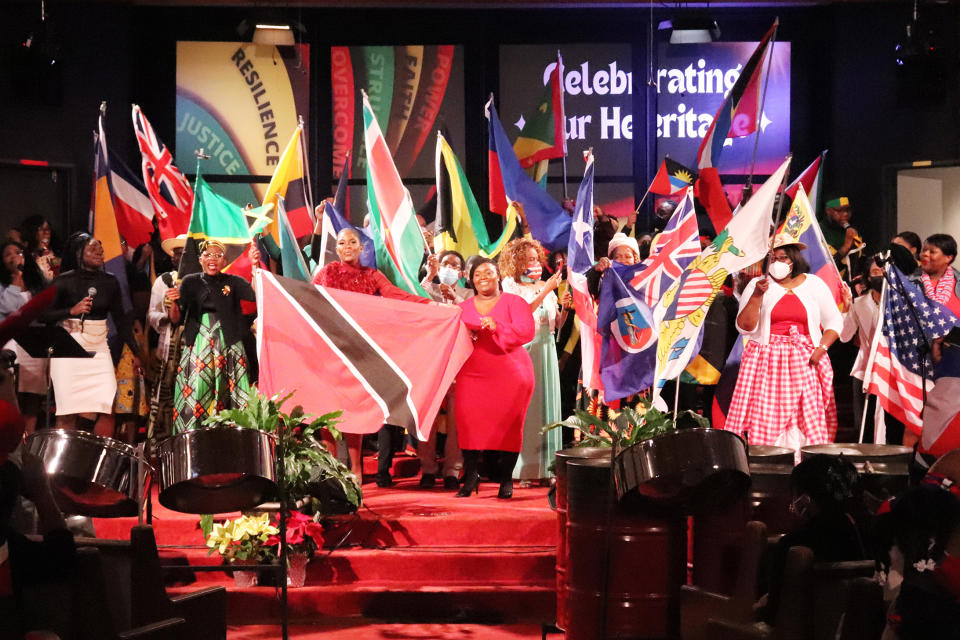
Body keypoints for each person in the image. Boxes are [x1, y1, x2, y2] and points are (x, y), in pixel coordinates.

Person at [313, 227, 430, 486]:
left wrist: (429, 305)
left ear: (361, 247)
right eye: (341, 242)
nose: (346, 246)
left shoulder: (372, 275)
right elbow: (308, 302)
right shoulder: (327, 272)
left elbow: (395, 296)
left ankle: (356, 470)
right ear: (337, 248)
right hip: (331, 349)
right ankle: (331, 470)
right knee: (328, 410)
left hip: (359, 351)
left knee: (353, 409)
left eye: (352, 242)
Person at [724, 241, 845, 449]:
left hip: (805, 360)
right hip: (767, 362)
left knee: (805, 414)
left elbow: (834, 322)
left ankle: (803, 462)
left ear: (794, 259)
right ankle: (768, 460)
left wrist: (822, 348)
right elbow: (744, 327)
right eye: (772, 259)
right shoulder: (757, 285)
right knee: (765, 415)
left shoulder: (814, 284)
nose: (777, 263)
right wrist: (756, 296)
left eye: (783, 258)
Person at [42, 233, 142, 434]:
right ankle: (66, 458)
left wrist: (137, 352)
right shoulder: (63, 281)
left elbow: (121, 321)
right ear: (78, 253)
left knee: (106, 406)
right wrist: (70, 311)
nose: (100, 251)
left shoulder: (110, 282)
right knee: (68, 410)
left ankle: (99, 458)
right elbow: (44, 315)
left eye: (101, 248)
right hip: (69, 348)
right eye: (93, 248)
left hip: (99, 347)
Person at [455, 258, 535, 498]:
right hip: (472, 374)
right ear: (471, 279)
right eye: (477, 274)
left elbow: (526, 332)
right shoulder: (464, 307)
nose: (482, 277)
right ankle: (470, 476)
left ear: (498, 275)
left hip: (511, 374)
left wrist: (497, 325)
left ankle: (506, 479)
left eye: (488, 272)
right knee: (468, 425)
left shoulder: (515, 302)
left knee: (510, 429)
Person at [760, 455, 864, 622]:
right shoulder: (862, 535)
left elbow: (774, 615)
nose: (792, 505)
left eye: (794, 497)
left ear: (805, 500)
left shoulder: (791, 545)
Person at [167, 240, 255, 433]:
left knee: (234, 396)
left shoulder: (234, 282)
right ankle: (192, 436)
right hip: (199, 344)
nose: (212, 259)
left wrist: (255, 265)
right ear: (200, 260)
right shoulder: (190, 282)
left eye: (217, 255)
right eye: (208, 255)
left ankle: (236, 437)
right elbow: (176, 318)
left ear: (224, 261)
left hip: (229, 345)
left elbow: (255, 295)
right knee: (197, 390)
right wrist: (173, 302)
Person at [499, 238, 564, 484]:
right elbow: (522, 314)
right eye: (528, 259)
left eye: (536, 258)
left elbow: (554, 324)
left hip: (547, 348)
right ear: (516, 262)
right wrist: (546, 290)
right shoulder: (510, 285)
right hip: (526, 350)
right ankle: (525, 470)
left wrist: (563, 310)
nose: (533, 263)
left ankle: (548, 470)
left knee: (548, 408)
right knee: (528, 410)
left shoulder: (543, 284)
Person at [417, 250, 470, 489]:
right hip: (431, 363)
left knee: (457, 421)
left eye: (454, 265)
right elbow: (415, 298)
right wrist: (430, 275)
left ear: (461, 273)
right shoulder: (431, 289)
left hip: (458, 364)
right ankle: (428, 468)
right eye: (445, 263)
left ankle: (452, 470)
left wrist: (456, 299)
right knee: (428, 418)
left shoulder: (468, 294)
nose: (450, 267)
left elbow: (473, 317)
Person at [0, 240, 48, 434]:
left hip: (34, 343)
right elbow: (8, 310)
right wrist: (14, 280)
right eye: (8, 254)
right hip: (11, 343)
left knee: (33, 397)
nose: (14, 257)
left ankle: (28, 443)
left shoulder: (36, 282)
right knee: (13, 396)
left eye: (17, 252)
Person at [145, 234, 186, 441]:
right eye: (177, 254)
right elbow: (151, 313)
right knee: (164, 396)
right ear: (172, 258)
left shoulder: (200, 280)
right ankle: (161, 443)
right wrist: (167, 317)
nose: (181, 257)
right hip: (169, 345)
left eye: (185, 253)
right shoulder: (164, 281)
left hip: (193, 346)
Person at [819, 196, 864, 277]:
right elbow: (824, 267)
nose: (845, 214)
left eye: (847, 210)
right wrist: (846, 247)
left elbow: (858, 263)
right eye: (840, 210)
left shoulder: (852, 231)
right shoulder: (818, 231)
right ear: (828, 211)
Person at [19, 215, 60, 284]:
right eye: (41, 229)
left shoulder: (56, 253)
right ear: (31, 232)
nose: (46, 233)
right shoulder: (23, 257)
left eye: (48, 229)